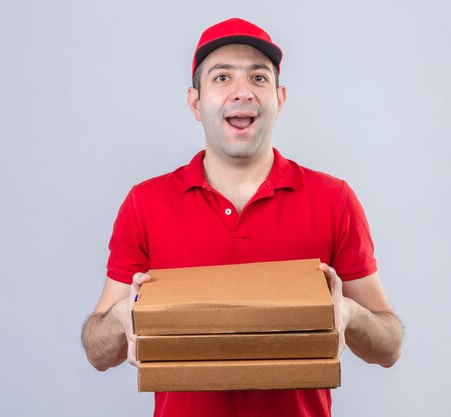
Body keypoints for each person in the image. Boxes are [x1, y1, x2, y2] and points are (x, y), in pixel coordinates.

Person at [81, 17, 402, 417]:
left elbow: (388, 345)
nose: (242, 92)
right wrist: (123, 316)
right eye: (221, 78)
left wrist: (348, 314)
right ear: (196, 103)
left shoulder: (333, 200)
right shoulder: (145, 204)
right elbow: (98, 351)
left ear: (279, 99)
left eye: (258, 78)